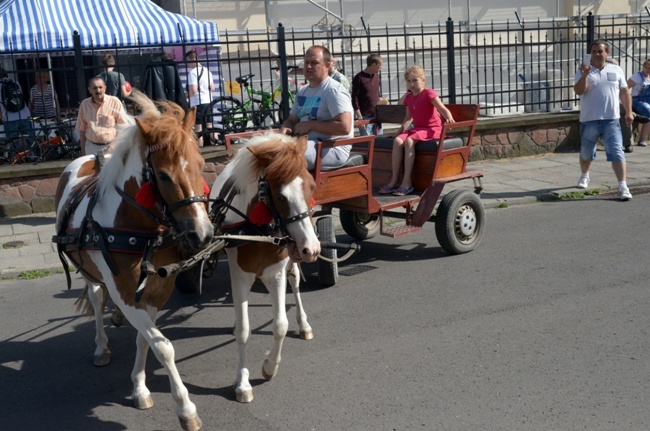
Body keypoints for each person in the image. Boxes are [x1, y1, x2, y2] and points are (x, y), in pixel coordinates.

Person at [379, 65, 455, 196]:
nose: (412, 84)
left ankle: (406, 182)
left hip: (432, 129)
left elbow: (442, 109)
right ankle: (394, 180)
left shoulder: (429, 93)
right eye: (409, 81)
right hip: (418, 129)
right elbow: (408, 118)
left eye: (415, 80)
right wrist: (400, 132)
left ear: (423, 80)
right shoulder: (409, 97)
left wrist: (449, 119)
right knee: (397, 141)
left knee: (409, 141)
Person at [574, 39, 633, 201]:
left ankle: (623, 185)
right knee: (586, 152)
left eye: (600, 51)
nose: (597, 54)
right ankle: (584, 175)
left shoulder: (616, 69)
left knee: (617, 152)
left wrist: (628, 112)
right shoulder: (583, 70)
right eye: (594, 51)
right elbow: (579, 91)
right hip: (589, 119)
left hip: (611, 120)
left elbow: (624, 92)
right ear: (590, 54)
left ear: (607, 53)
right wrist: (584, 76)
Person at [279, 45, 354, 170]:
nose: (308, 67)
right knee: (266, 151)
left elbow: (345, 127)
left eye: (314, 63)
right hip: (306, 144)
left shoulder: (333, 90)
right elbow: (292, 120)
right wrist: (285, 127)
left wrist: (310, 125)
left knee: (285, 156)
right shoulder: (303, 91)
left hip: (332, 147)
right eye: (306, 62)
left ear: (327, 65)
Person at [75, 76, 127, 156]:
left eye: (100, 87)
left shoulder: (114, 102)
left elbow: (123, 127)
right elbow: (82, 131)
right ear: (89, 90)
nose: (98, 90)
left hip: (110, 148)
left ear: (105, 88)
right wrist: (83, 153)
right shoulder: (84, 105)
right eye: (95, 88)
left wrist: (115, 144)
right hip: (91, 148)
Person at [186, 49, 215, 147]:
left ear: (193, 59)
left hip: (198, 101)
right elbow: (212, 88)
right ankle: (214, 143)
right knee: (210, 124)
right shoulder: (208, 71)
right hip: (209, 100)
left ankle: (200, 148)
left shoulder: (192, 73)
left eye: (188, 62)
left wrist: (184, 95)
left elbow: (193, 91)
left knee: (198, 127)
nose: (188, 64)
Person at [351, 53, 383, 136]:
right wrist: (359, 117)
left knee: (380, 141)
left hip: (377, 115)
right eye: (380, 65)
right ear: (373, 65)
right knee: (366, 142)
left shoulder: (377, 76)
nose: (381, 67)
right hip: (365, 116)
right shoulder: (359, 78)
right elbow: (354, 98)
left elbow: (377, 93)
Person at [0, 68, 33, 140]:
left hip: (9, 118)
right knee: (32, 141)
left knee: (14, 145)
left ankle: (16, 151)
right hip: (24, 115)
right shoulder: (15, 82)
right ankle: (38, 151)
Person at [627, 58, 650, 147]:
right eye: (646, 67)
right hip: (637, 100)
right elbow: (626, 88)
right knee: (648, 112)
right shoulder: (637, 76)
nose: (648, 70)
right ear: (643, 67)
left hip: (648, 99)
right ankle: (642, 139)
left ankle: (642, 139)